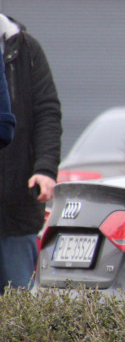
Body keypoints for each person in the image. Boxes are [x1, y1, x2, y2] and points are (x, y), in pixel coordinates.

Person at [0, 14, 61, 293]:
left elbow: (47, 112)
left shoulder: (25, 50)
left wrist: (45, 169)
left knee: (18, 309)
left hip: (16, 205)